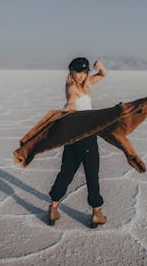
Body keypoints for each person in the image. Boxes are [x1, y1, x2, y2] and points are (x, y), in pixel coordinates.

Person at [48, 57, 108, 228]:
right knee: (91, 175)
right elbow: (71, 100)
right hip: (86, 137)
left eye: (84, 72)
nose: (81, 76)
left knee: (66, 173)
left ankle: (53, 208)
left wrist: (100, 67)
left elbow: (103, 75)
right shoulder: (72, 88)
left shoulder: (85, 84)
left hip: (72, 137)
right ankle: (97, 213)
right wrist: (68, 107)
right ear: (71, 72)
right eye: (77, 72)